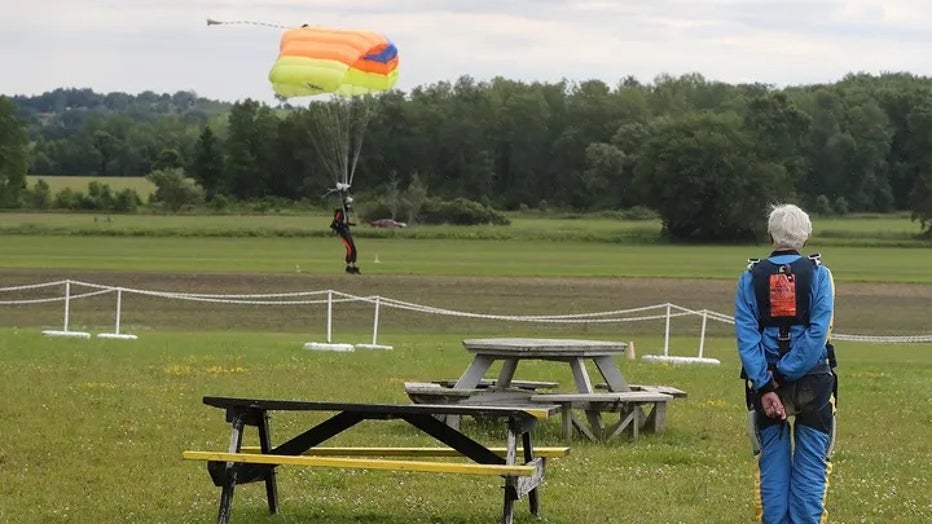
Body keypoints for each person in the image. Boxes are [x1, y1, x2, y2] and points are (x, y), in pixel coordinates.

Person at [734, 203, 837, 523]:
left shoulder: (750, 277)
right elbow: (819, 332)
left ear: (770, 235)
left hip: (764, 384)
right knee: (812, 467)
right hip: (813, 383)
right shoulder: (820, 274)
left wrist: (766, 383)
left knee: (771, 469)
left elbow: (746, 335)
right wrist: (785, 374)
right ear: (806, 236)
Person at [330, 195, 360, 274]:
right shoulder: (340, 212)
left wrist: (353, 224)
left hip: (347, 232)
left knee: (354, 249)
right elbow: (336, 222)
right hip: (343, 233)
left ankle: (354, 265)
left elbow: (346, 223)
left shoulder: (345, 213)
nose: (349, 206)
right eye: (348, 204)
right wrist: (341, 223)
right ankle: (348, 266)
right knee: (349, 249)